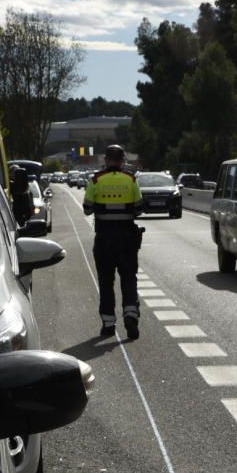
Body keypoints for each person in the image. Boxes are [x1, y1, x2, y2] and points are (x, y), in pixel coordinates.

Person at [83, 144, 143, 339]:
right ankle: (131, 314)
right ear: (123, 161)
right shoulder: (131, 179)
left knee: (106, 282)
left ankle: (108, 325)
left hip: (104, 240)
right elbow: (139, 209)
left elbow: (87, 209)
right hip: (127, 239)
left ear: (106, 160)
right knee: (129, 278)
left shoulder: (95, 180)